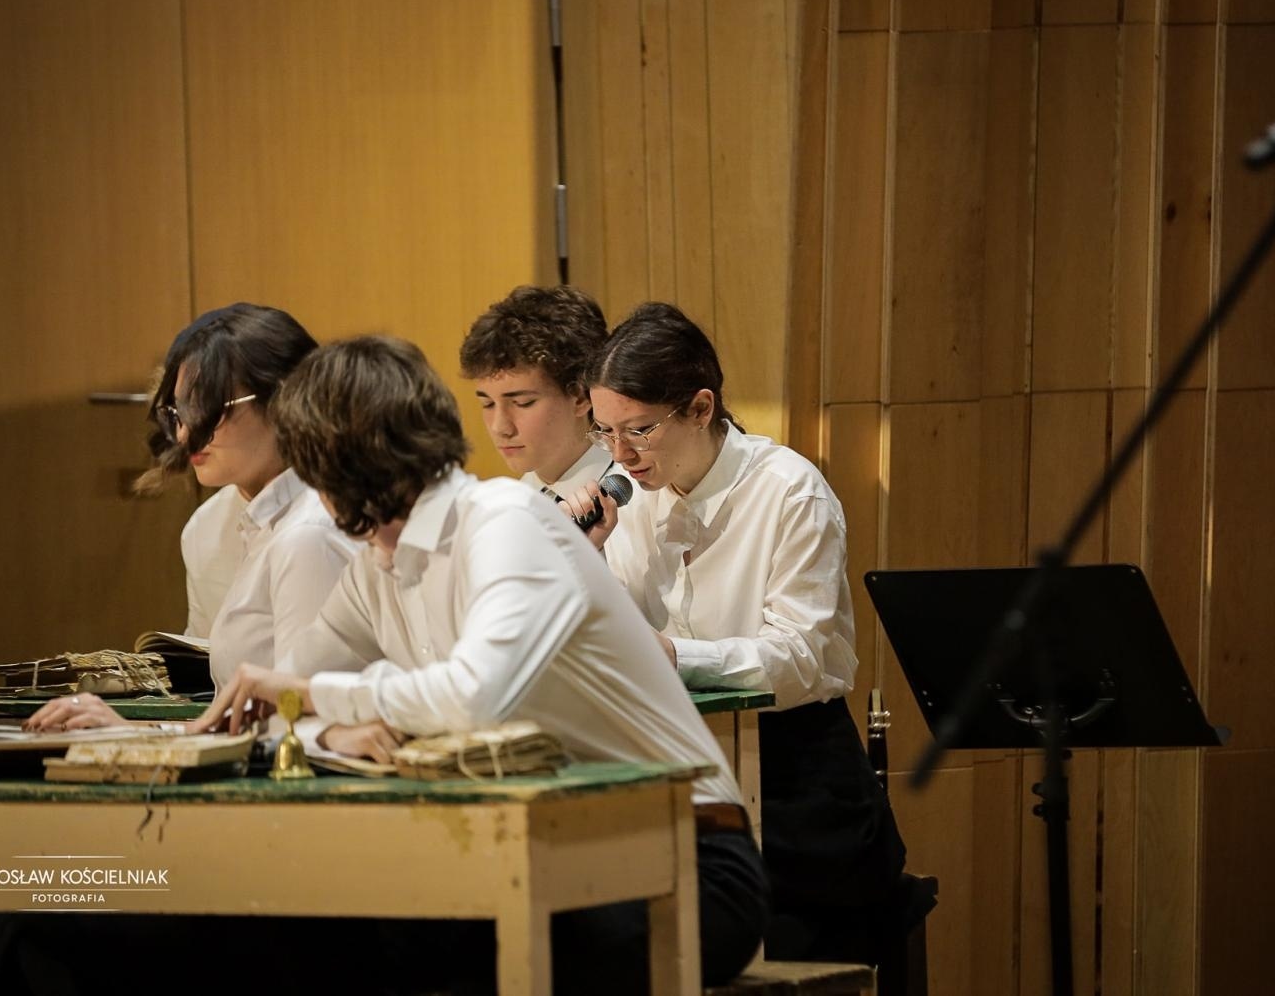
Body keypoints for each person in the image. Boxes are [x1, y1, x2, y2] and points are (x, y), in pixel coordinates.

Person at [189, 334, 768, 993]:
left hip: (684, 861)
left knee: (341, 939)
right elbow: (271, 706)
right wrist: (327, 723)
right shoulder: (379, 567)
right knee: (270, 926)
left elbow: (471, 697)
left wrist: (317, 695)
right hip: (531, 845)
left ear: (334, 468)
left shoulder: (504, 521)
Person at [560, 301, 907, 965]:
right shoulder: (621, 502)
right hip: (678, 772)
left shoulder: (787, 491)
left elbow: (803, 656)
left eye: (640, 429)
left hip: (796, 786)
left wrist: (675, 655)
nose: (621, 453)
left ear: (699, 407)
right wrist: (590, 559)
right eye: (604, 432)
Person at [24, 303, 356, 731]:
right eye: (178, 414)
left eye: (209, 407)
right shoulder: (226, 524)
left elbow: (300, 725)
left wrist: (142, 733)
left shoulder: (313, 528)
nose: (184, 434)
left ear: (286, 398)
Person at [458, 284, 615, 501]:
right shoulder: (511, 506)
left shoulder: (643, 500)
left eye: (522, 402)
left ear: (580, 397)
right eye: (488, 404)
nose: (500, 428)